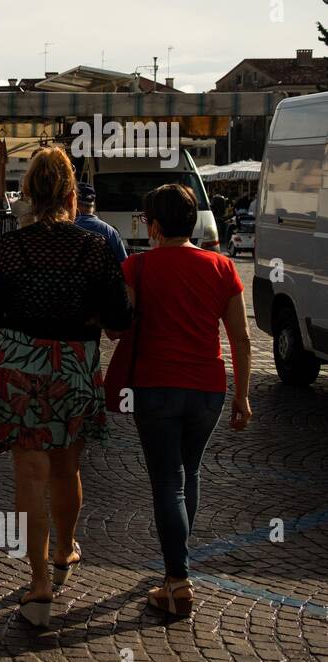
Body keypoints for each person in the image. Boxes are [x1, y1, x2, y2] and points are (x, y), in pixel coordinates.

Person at [0, 147, 132, 627]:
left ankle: (38, 585)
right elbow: (121, 319)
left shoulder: (11, 248)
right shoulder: (95, 249)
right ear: (72, 193)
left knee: (29, 477)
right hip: (74, 366)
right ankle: (64, 552)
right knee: (67, 468)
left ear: (28, 194)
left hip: (19, 365)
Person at [123, 183, 252, 619]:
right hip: (207, 388)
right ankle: (176, 567)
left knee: (167, 481)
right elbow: (240, 337)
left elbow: (118, 329)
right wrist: (243, 394)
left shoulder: (137, 267)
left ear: (155, 226)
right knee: (188, 473)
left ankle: (177, 580)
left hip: (155, 385)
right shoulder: (222, 266)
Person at [73, 183, 127, 263]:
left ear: (74, 202)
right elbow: (123, 263)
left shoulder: (66, 229)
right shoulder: (111, 232)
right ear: (93, 204)